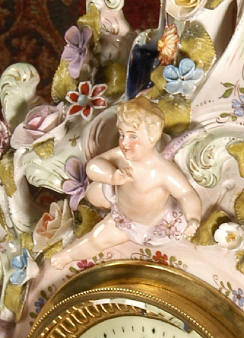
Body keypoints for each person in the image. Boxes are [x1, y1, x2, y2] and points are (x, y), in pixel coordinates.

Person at [52, 97, 202, 267]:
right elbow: (93, 166)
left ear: (152, 137)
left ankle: (69, 254)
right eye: (122, 134)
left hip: (144, 224)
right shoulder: (122, 155)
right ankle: (68, 255)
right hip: (121, 212)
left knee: (99, 237)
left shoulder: (162, 171)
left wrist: (193, 218)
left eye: (132, 136)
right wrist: (112, 176)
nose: (124, 142)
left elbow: (186, 194)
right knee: (95, 228)